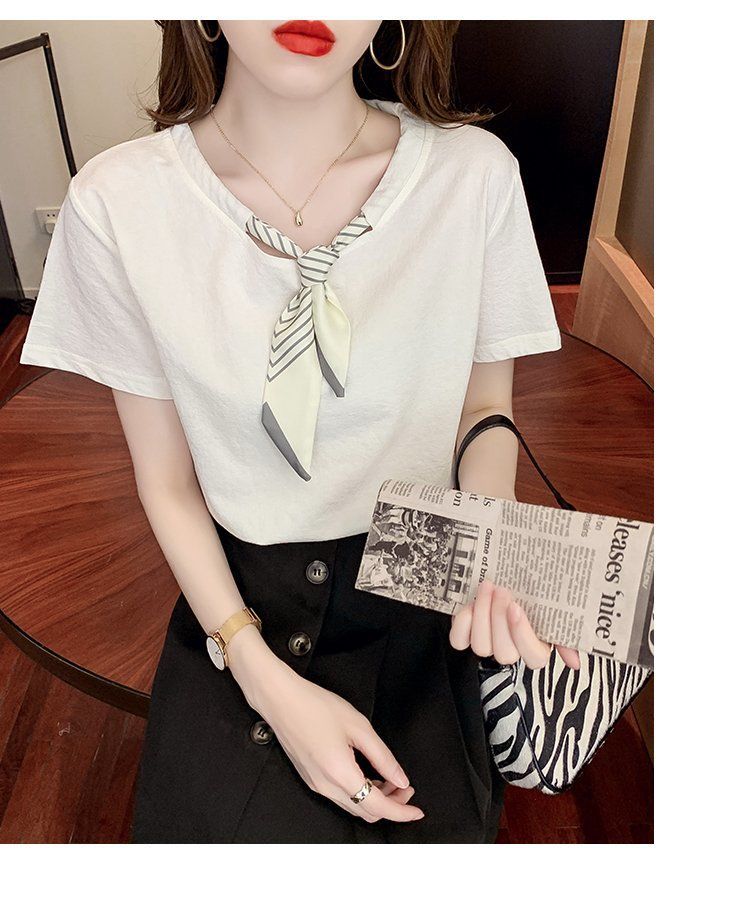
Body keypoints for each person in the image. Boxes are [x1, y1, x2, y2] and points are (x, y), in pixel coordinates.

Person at [19, 20, 580, 843]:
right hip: (237, 597)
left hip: (428, 579)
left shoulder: (474, 176)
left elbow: (483, 409)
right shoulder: (118, 203)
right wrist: (261, 678)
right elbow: (167, 481)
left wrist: (493, 541)